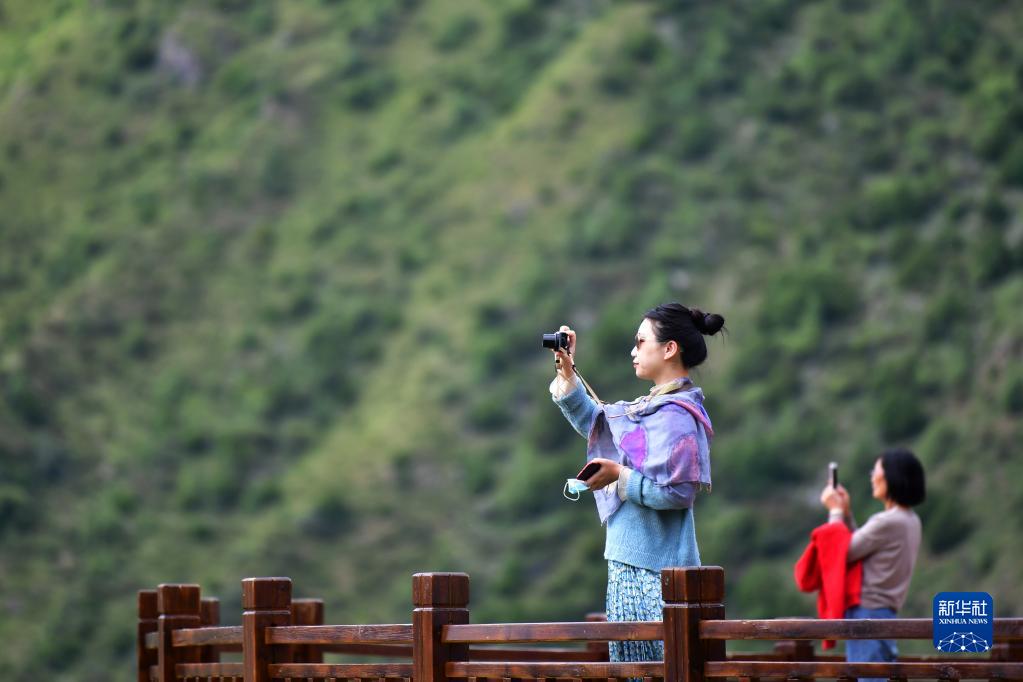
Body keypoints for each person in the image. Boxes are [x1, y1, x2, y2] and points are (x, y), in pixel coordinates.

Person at [549, 302, 725, 663]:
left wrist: (619, 476)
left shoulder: (677, 414)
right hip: (629, 563)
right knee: (637, 670)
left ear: (669, 348)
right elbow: (597, 423)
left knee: (658, 669)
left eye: (641, 341)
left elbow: (678, 493)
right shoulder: (650, 408)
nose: (633, 351)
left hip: (658, 571)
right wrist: (567, 370)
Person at [820, 448, 926, 679]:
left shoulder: (888, 521)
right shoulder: (910, 520)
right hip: (884, 613)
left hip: (867, 615)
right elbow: (861, 545)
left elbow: (843, 552)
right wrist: (846, 513)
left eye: (876, 471)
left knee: (868, 677)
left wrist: (835, 512)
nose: (872, 477)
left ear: (891, 477)